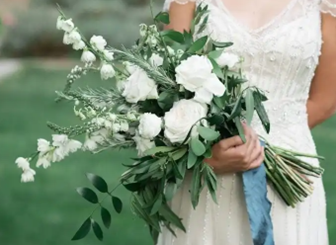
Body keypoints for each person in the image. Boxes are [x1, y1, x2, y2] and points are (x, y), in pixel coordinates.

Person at [157, 0, 336, 244]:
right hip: (207, 174)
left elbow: (325, 101)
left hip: (289, 175)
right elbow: (166, 87)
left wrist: (267, 147)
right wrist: (204, 154)